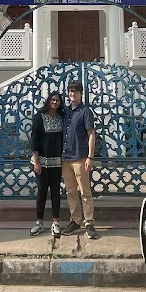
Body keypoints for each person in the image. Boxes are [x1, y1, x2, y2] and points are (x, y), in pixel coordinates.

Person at [61, 81, 97, 239]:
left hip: (80, 158)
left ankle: (89, 222)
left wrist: (90, 156)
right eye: (70, 92)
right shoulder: (65, 112)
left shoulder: (85, 112)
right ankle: (75, 220)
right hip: (66, 158)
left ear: (81, 94)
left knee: (85, 192)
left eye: (75, 92)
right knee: (70, 192)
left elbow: (91, 134)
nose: (72, 94)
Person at [30, 91, 64, 237]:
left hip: (57, 162)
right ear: (48, 101)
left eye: (57, 100)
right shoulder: (39, 117)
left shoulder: (62, 118)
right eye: (53, 99)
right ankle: (39, 222)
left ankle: (55, 223)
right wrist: (37, 161)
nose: (55, 102)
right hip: (41, 162)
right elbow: (34, 140)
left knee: (56, 192)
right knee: (42, 191)